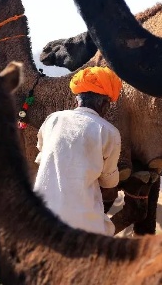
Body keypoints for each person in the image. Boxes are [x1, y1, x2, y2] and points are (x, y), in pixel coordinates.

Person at [33, 66, 122, 236]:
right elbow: (109, 186)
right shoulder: (108, 132)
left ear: (77, 99)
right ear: (103, 103)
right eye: (108, 104)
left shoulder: (53, 120)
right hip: (83, 228)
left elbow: (43, 158)